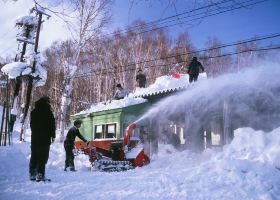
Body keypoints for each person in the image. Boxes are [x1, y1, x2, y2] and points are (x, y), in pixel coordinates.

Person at [29, 96, 56, 182]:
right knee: (43, 157)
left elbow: (31, 125)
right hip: (44, 140)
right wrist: (53, 135)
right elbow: (52, 125)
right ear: (46, 102)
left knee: (34, 156)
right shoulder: (48, 112)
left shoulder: (33, 112)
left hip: (34, 139)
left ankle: (32, 174)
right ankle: (40, 175)